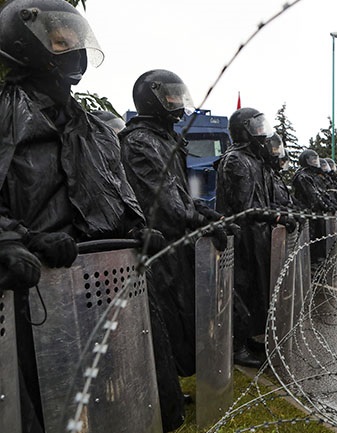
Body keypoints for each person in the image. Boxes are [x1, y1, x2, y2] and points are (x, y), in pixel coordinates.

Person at [0, 0, 166, 430]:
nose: (74, 52)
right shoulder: (4, 113)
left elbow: (112, 190)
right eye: (61, 41)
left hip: (88, 283)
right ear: (27, 44)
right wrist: (16, 241)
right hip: (26, 291)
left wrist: (136, 228)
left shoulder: (90, 126)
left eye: (76, 41)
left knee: (99, 391)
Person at [120, 69, 229, 379]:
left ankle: (171, 381)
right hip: (157, 247)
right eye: (170, 95)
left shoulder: (164, 139)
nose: (177, 100)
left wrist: (202, 211)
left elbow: (178, 191)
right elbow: (162, 195)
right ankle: (160, 389)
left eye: (178, 94)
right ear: (152, 98)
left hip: (173, 244)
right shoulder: (140, 141)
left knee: (180, 318)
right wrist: (196, 219)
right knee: (163, 321)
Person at [217, 107, 295, 368]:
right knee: (240, 289)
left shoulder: (254, 161)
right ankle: (235, 346)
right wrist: (275, 217)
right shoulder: (236, 160)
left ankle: (248, 336)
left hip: (256, 235)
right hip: (241, 236)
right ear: (244, 130)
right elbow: (244, 206)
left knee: (256, 290)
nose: (262, 132)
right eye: (257, 127)